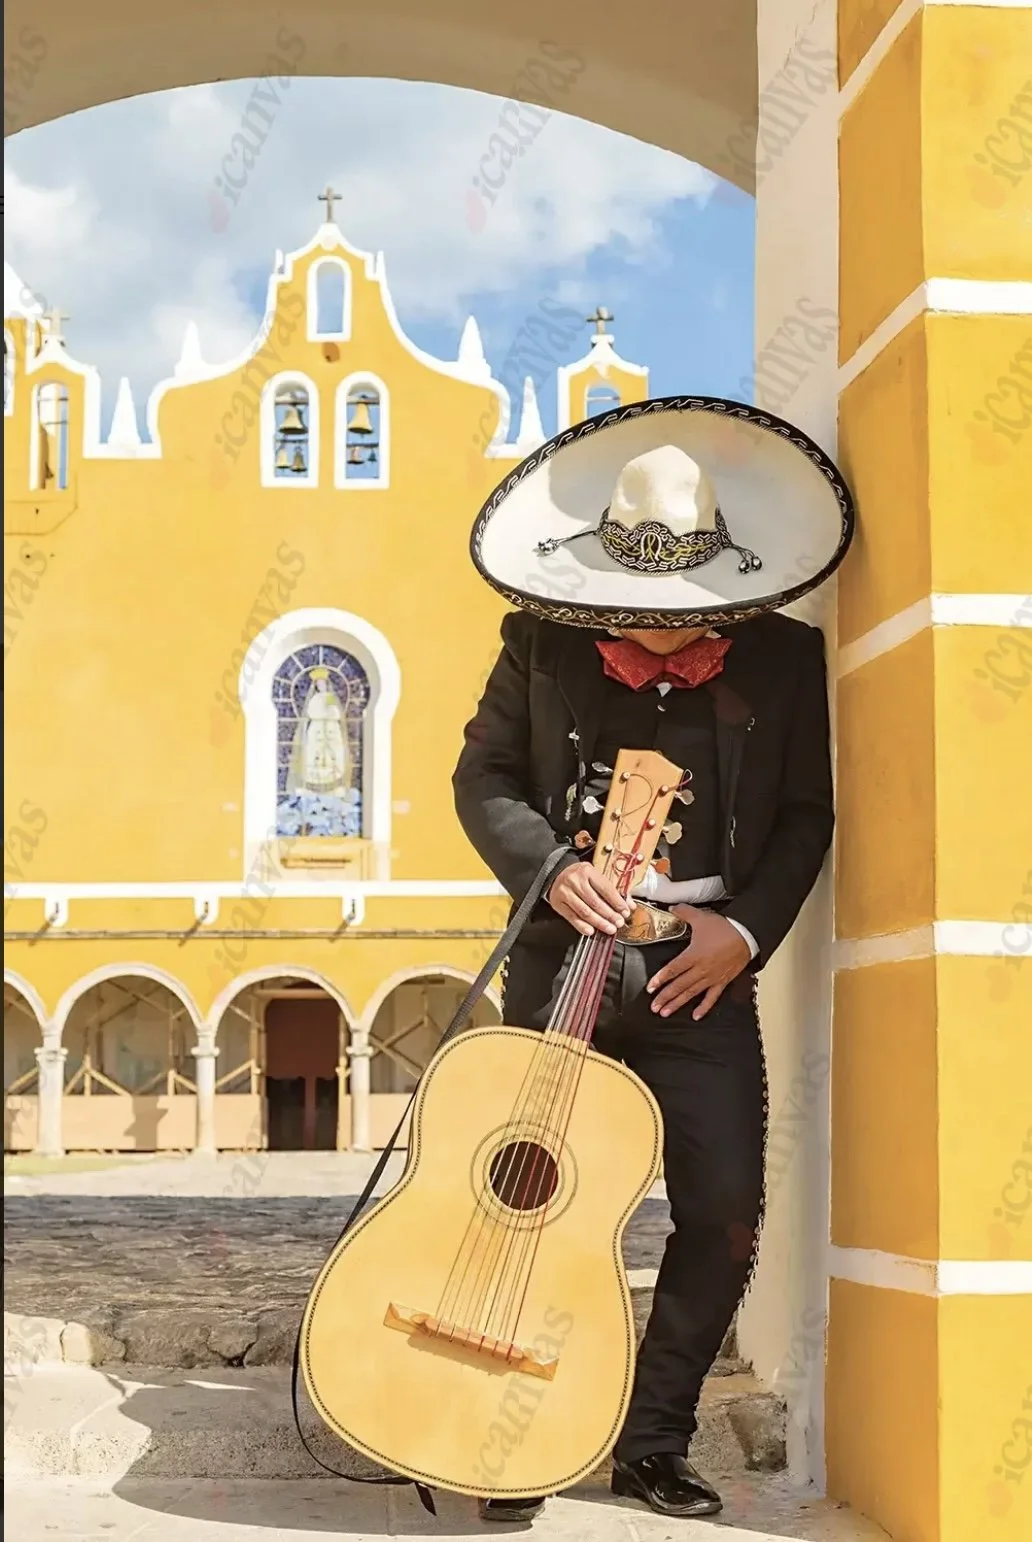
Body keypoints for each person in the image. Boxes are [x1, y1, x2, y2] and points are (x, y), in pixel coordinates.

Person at [453, 404, 854, 1522]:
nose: (664, 628)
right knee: (525, 1197)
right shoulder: (536, 642)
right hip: (563, 960)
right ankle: (505, 1439)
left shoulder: (786, 656)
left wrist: (746, 933)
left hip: (701, 970)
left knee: (725, 1211)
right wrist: (547, 869)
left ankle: (650, 1442)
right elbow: (481, 780)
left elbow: (808, 817)